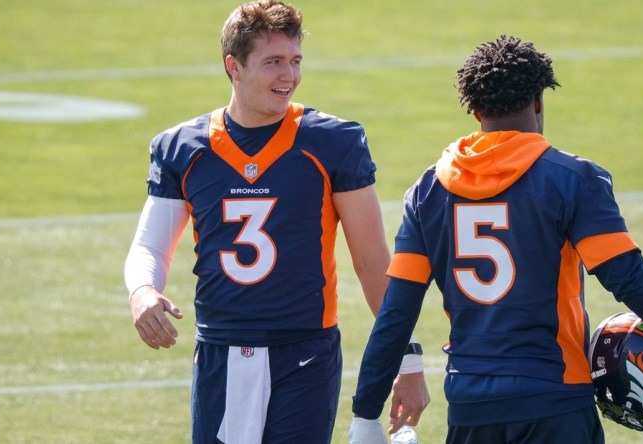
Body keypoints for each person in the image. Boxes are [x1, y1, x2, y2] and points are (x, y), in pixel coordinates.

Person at [349, 35, 643, 444]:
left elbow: (396, 312)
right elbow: (627, 278)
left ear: (475, 111)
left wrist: (365, 413)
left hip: (472, 405)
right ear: (539, 102)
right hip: (554, 398)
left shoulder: (427, 191)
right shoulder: (573, 178)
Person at [123, 1, 428, 442]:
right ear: (234, 66)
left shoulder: (332, 142)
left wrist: (409, 357)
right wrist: (142, 290)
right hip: (220, 350)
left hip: (304, 353)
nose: (289, 76)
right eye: (273, 63)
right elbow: (151, 246)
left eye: (295, 61)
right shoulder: (183, 148)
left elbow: (372, 261)